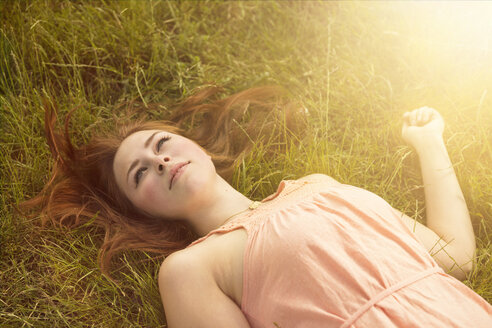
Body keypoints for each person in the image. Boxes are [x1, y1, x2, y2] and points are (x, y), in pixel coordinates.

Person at [24, 87, 492, 327]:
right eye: (140, 173)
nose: (160, 160)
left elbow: (454, 257)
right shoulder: (190, 268)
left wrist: (430, 143)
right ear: (142, 212)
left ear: (197, 146)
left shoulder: (318, 184)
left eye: (161, 143)